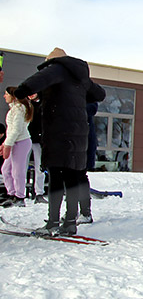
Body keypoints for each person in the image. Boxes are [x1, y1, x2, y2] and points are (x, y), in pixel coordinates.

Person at [14, 48, 105, 236]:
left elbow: (28, 86)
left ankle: (53, 223)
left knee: (55, 177)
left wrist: (21, 92)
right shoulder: (79, 76)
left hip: (58, 132)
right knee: (72, 178)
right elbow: (99, 94)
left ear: (51, 61)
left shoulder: (56, 69)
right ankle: (70, 223)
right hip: (78, 134)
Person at [1, 87, 33, 208]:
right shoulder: (14, 108)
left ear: (13, 96)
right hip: (13, 141)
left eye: (6, 94)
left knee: (17, 170)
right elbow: (11, 130)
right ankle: (11, 193)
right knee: (6, 169)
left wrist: (8, 144)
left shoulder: (20, 109)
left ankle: (20, 196)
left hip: (21, 142)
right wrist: (5, 143)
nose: (4, 96)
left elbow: (17, 129)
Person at [27, 96, 46, 202]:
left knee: (40, 167)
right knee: (21, 167)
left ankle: (39, 192)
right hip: (25, 138)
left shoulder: (43, 105)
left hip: (38, 139)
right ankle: (18, 192)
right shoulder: (26, 104)